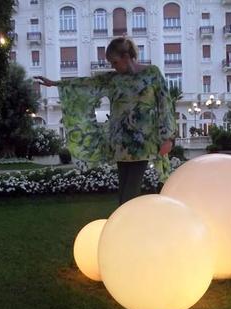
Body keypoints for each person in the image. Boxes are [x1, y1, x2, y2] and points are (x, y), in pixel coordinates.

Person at [35, 37, 176, 205]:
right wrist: (56, 84)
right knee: (124, 191)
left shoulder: (152, 73)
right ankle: (124, 223)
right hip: (120, 142)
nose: (113, 66)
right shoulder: (113, 79)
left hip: (143, 142)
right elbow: (86, 83)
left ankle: (124, 223)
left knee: (130, 192)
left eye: (114, 62)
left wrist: (168, 137)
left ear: (126, 56)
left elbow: (165, 104)